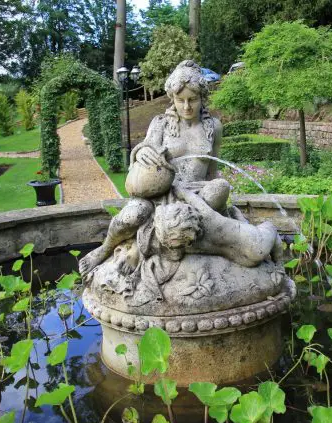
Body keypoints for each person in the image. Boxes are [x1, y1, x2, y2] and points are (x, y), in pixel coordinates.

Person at [80, 60, 230, 277]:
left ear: (202, 99)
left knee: (220, 187)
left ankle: (140, 249)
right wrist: (140, 152)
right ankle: (105, 249)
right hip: (160, 194)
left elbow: (212, 172)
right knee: (132, 215)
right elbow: (142, 159)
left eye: (193, 100)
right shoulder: (160, 123)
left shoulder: (213, 127)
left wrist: (220, 203)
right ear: (172, 99)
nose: (186, 107)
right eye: (180, 100)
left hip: (195, 196)